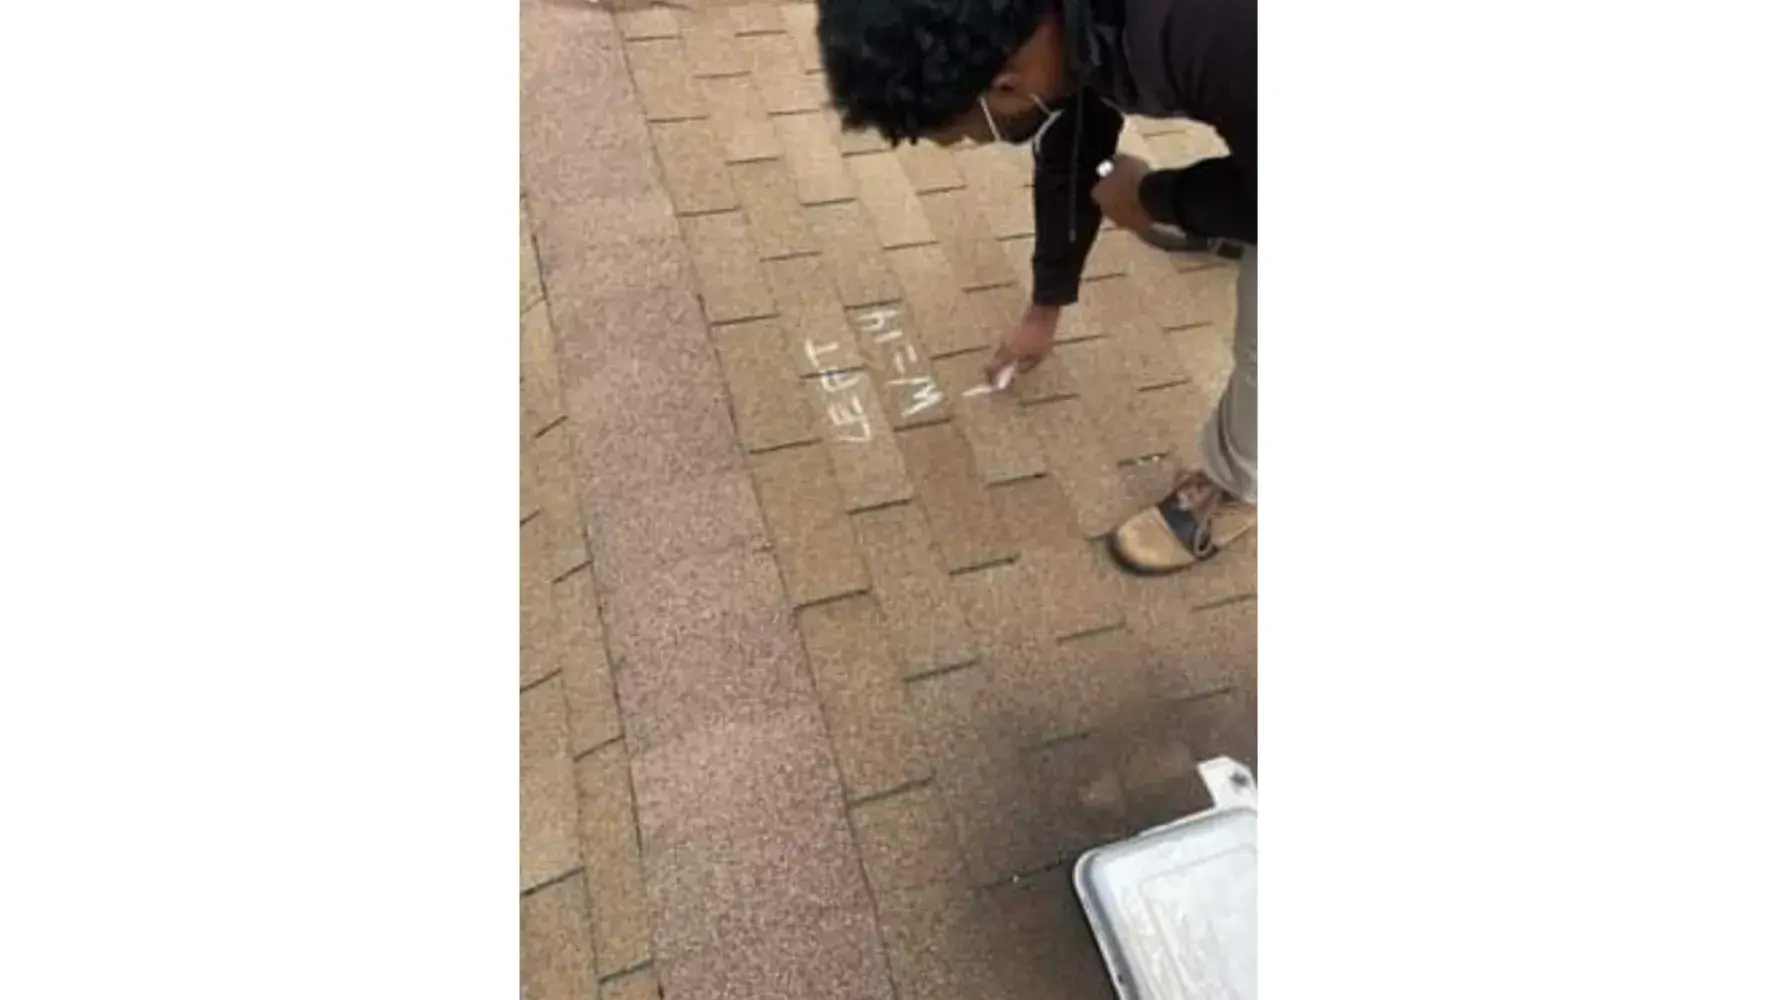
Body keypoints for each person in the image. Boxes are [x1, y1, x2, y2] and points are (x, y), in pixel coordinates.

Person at [816, 0, 1256, 575]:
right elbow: (1075, 135)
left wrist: (1158, 198)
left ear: (1004, 85)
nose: (978, 139)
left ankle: (1241, 481)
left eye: (969, 133)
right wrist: (1045, 305)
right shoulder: (1056, 23)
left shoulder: (1213, 39)